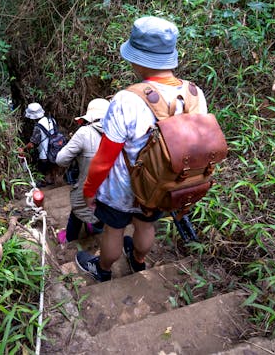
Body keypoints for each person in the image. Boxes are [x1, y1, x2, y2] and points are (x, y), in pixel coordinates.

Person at [75, 16, 208, 282]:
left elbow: (105, 156)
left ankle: (102, 269)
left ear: (138, 59)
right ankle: (138, 260)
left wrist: (89, 190)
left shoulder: (127, 99)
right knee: (146, 225)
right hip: (164, 183)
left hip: (122, 188)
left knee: (113, 230)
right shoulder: (195, 94)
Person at [54, 98, 110, 243]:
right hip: (111, 190)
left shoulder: (84, 133)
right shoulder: (120, 132)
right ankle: (96, 230)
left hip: (88, 187)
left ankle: (69, 239)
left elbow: (61, 160)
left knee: (79, 208)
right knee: (103, 207)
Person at [21, 102, 59, 186]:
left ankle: (43, 182)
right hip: (55, 151)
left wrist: (23, 148)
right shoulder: (52, 120)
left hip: (44, 155)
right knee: (51, 167)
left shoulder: (38, 127)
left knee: (42, 170)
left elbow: (32, 144)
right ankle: (53, 180)